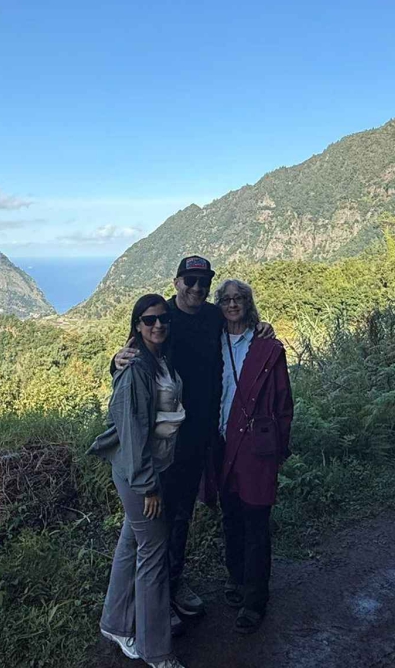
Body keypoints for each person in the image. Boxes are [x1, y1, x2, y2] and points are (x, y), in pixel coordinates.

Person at [112, 255, 274, 626]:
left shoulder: (215, 316)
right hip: (167, 440)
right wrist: (115, 360)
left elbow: (242, 326)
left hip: (207, 434)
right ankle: (153, 597)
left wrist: (262, 327)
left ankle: (172, 584)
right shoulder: (162, 317)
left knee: (184, 512)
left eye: (204, 282)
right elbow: (134, 355)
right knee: (160, 517)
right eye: (190, 281)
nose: (197, 288)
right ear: (177, 282)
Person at [91, 294, 189, 668]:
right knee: (153, 555)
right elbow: (132, 432)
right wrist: (147, 485)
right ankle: (156, 651)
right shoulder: (135, 369)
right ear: (137, 325)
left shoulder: (159, 358)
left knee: (132, 542)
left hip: (151, 467)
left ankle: (115, 623)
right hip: (139, 474)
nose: (158, 325)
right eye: (149, 320)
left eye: (163, 318)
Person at [209, 278, 292, 634]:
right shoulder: (211, 343)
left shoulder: (267, 348)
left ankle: (254, 600)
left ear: (248, 303)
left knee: (256, 521)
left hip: (256, 447)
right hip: (220, 444)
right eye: (225, 299)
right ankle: (237, 578)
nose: (232, 305)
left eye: (238, 298)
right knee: (231, 517)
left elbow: (284, 402)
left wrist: (279, 449)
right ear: (218, 305)